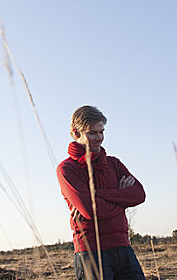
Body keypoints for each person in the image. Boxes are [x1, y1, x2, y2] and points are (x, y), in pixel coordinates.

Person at [56, 105, 146, 280]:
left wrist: (99, 195)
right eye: (92, 133)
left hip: (123, 247)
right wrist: (122, 200)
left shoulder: (114, 164)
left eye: (101, 132)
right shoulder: (66, 169)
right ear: (76, 133)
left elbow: (139, 194)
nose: (99, 138)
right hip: (91, 253)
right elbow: (91, 210)